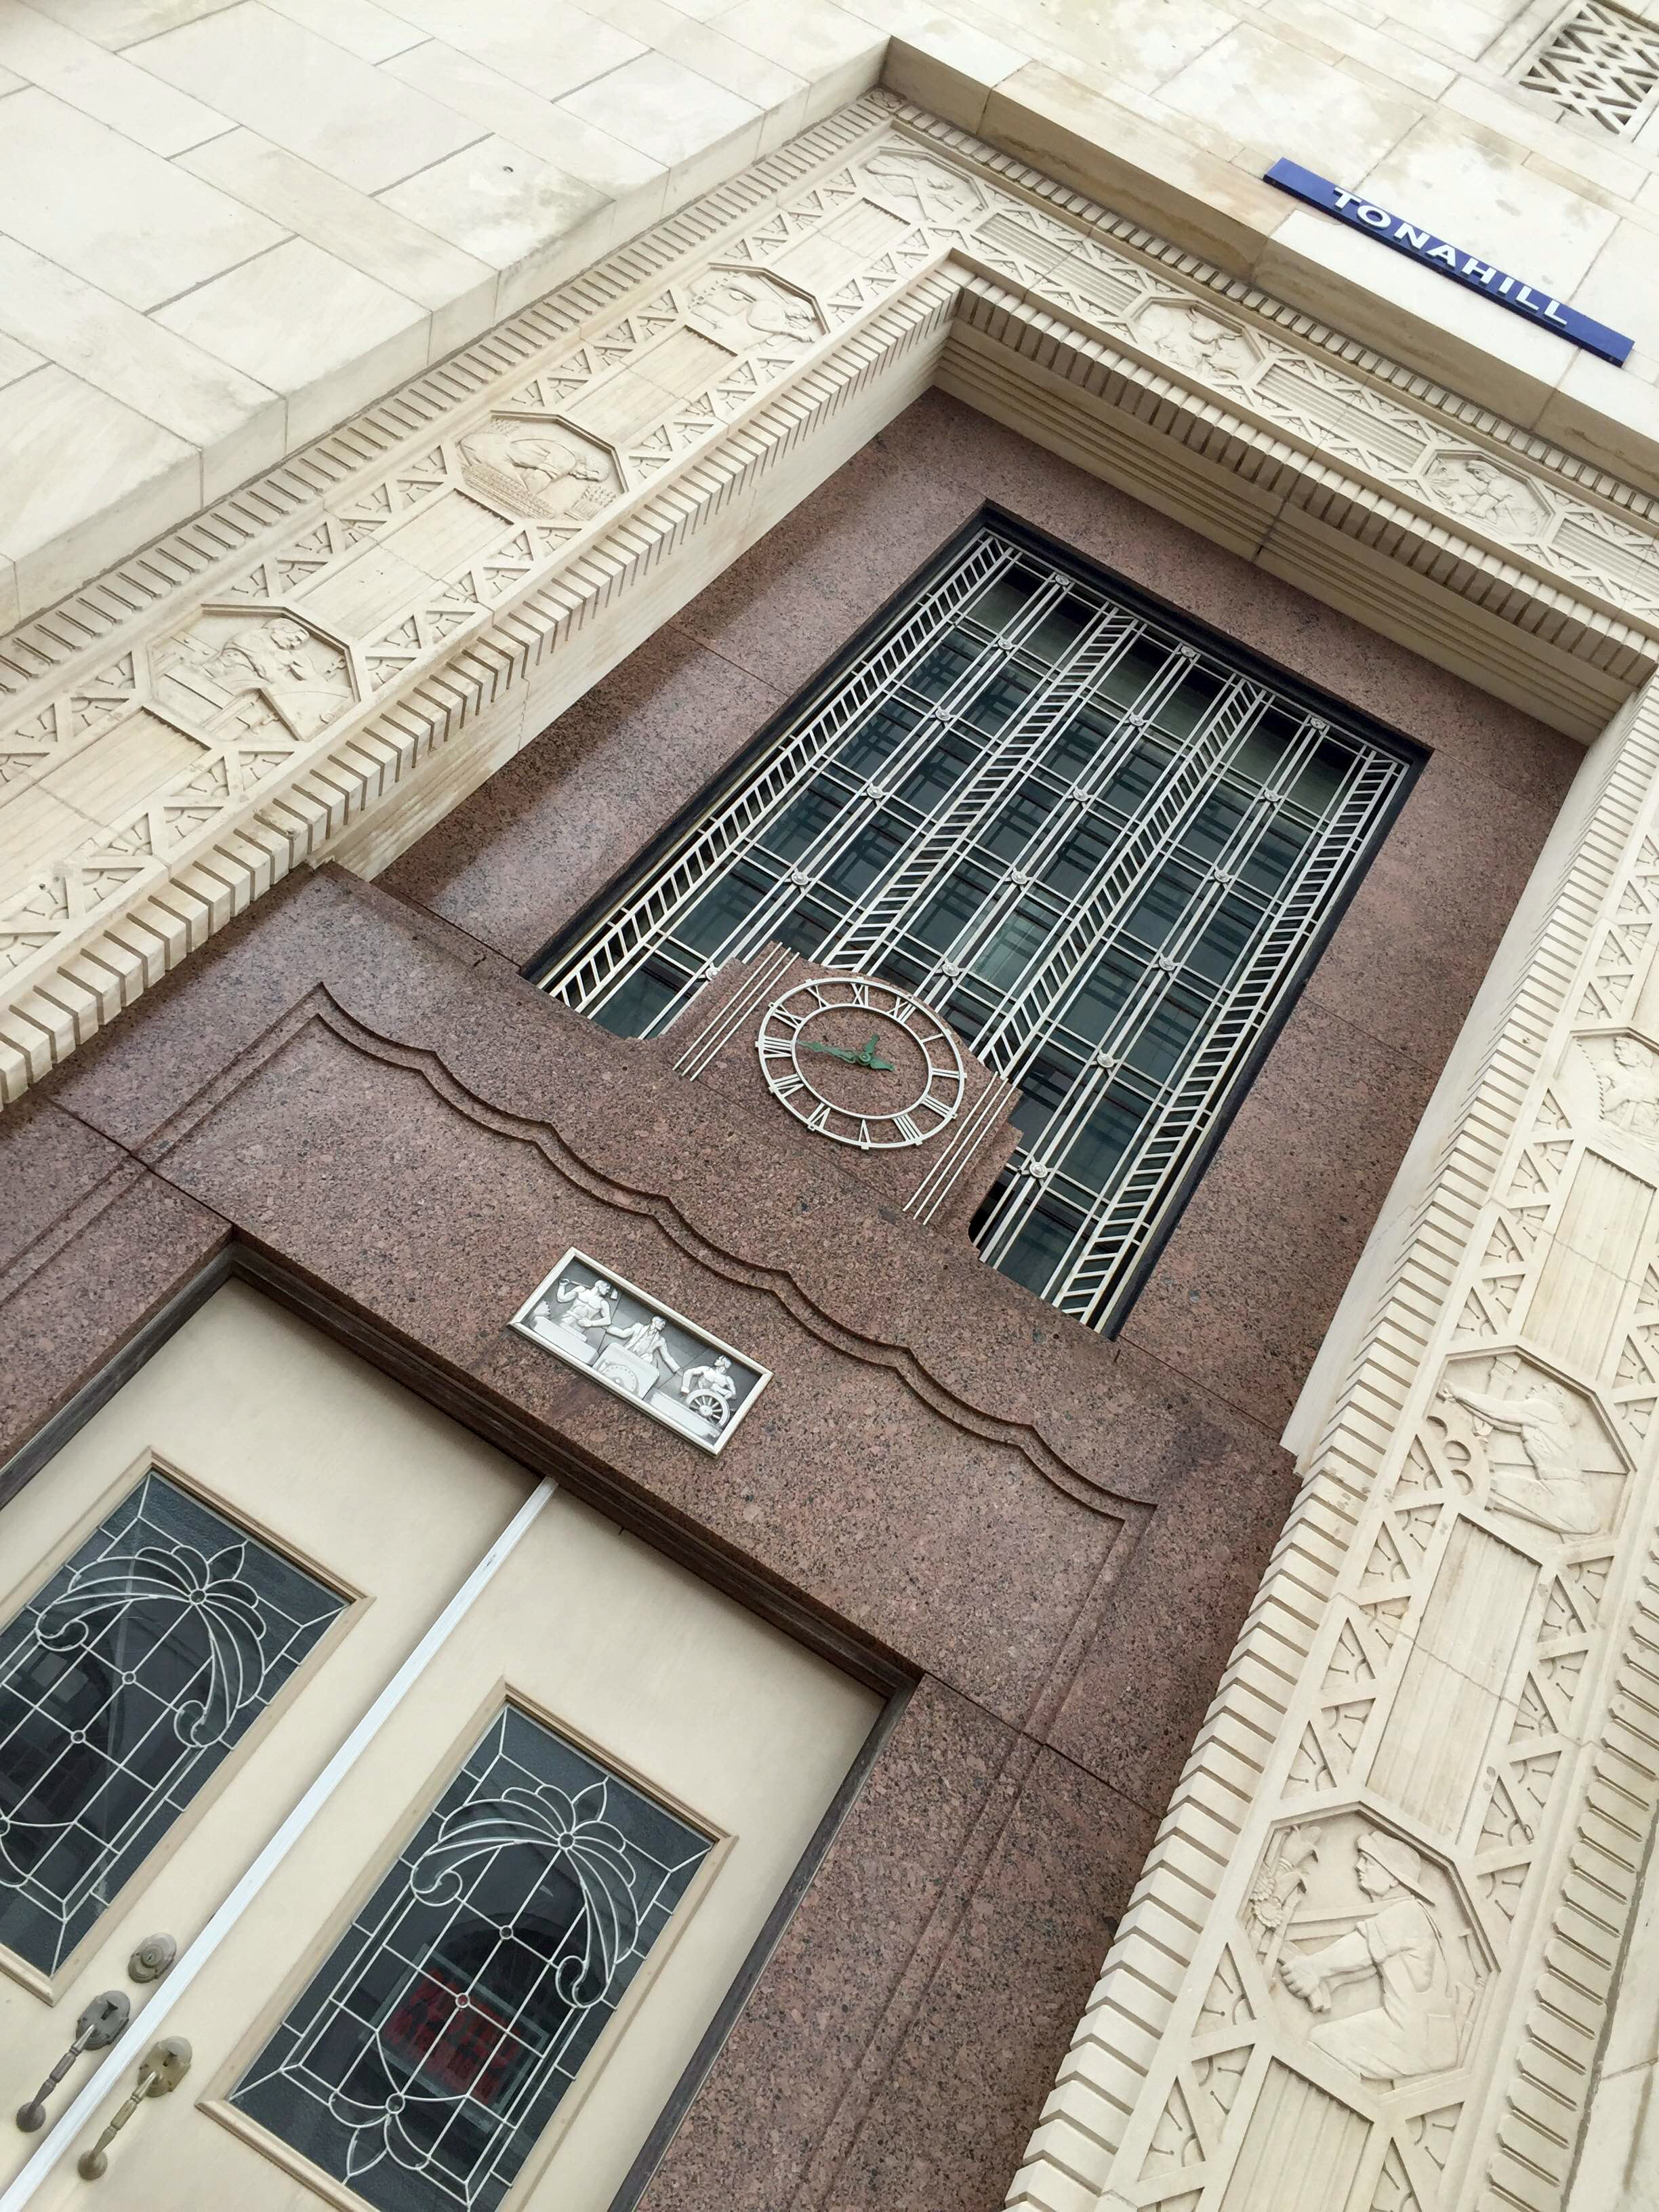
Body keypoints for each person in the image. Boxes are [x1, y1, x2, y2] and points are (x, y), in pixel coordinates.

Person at [1279, 1831, 1465, 2079]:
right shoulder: (1410, 1914)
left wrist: (1314, 1967)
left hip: (1420, 2039)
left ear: (1393, 1879)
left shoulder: (1408, 1914)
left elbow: (1363, 1948)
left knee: (1322, 2041)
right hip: (1425, 2034)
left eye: (1369, 1861)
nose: (1358, 1866)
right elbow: (1369, 1965)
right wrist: (1328, 1981)